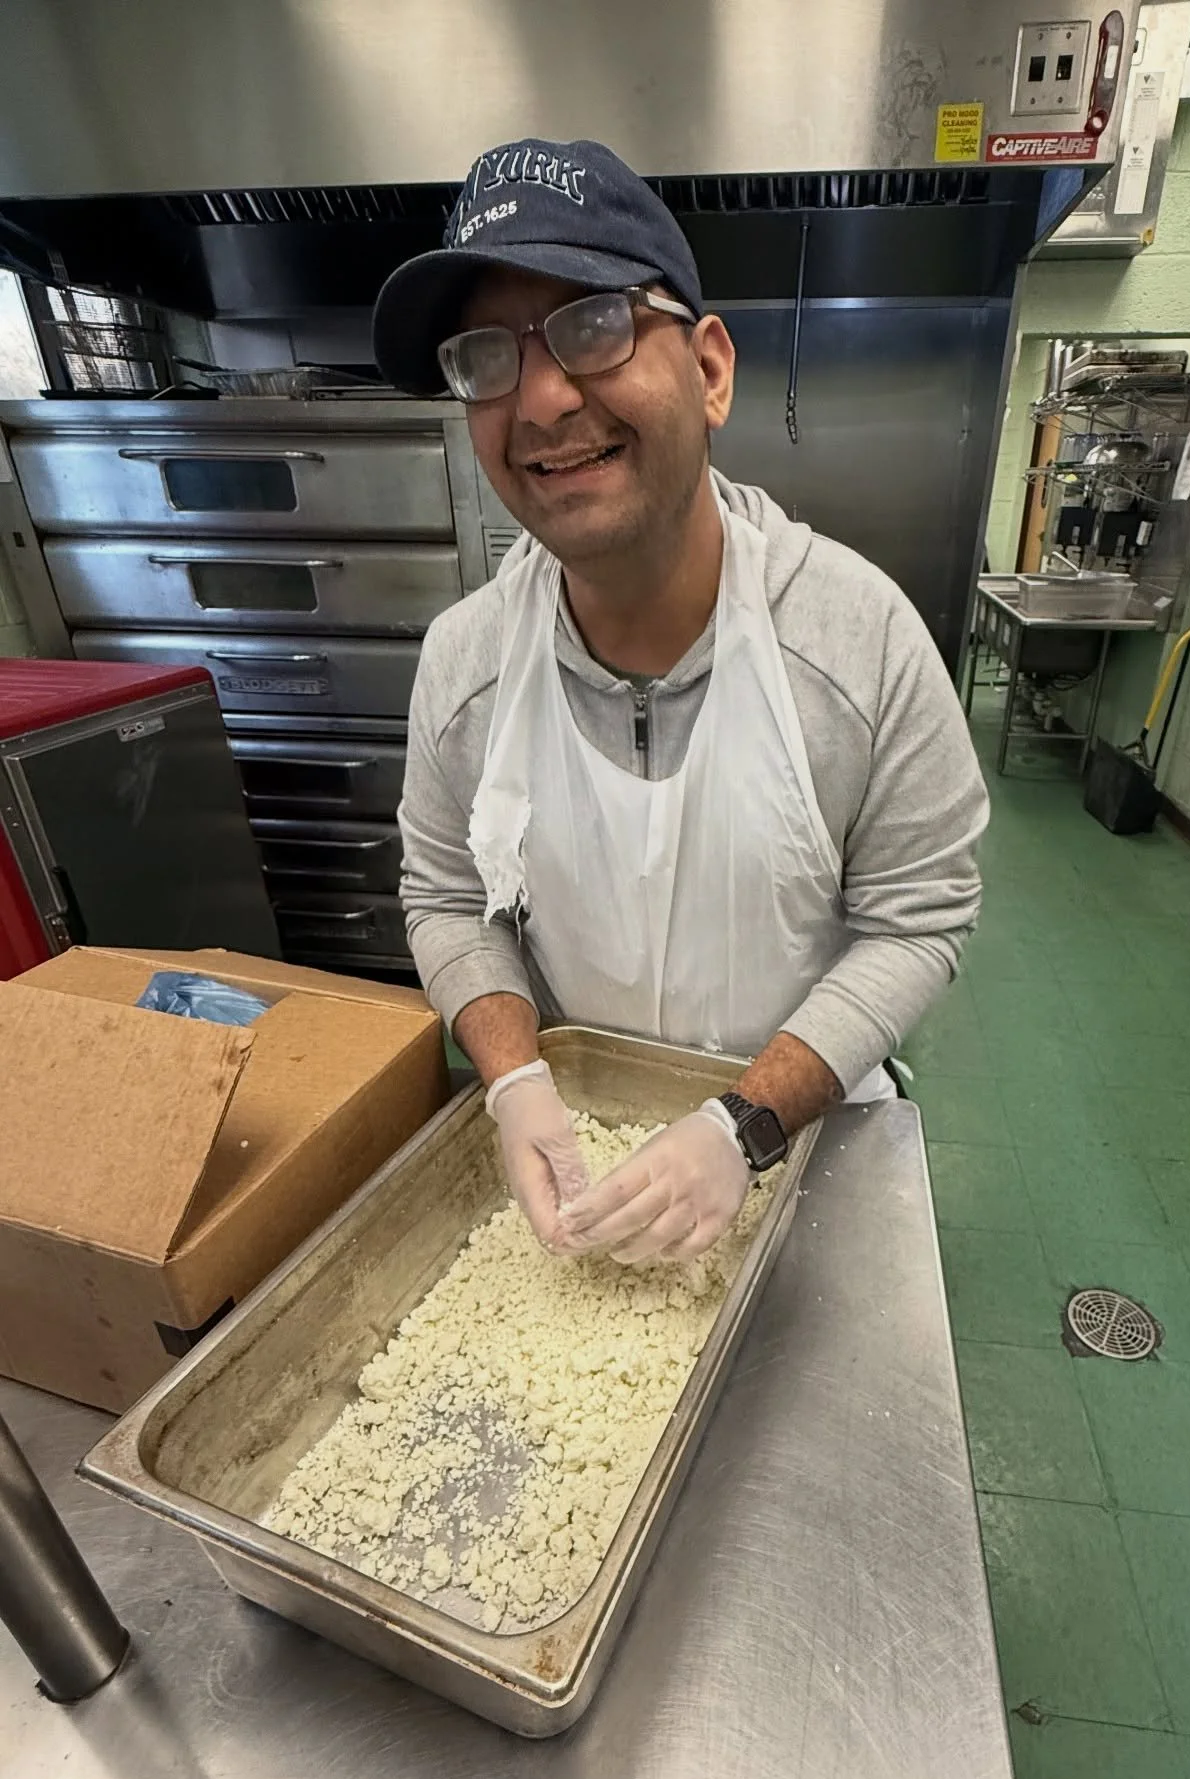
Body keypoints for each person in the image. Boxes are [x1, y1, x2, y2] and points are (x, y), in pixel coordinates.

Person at [374, 137, 988, 1267]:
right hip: (587, 1165)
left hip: (807, 1140)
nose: (544, 399)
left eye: (594, 326)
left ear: (709, 370)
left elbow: (921, 917)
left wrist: (741, 1124)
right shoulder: (465, 667)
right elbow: (448, 897)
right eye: (487, 360)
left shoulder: (859, 641)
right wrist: (512, 1078)